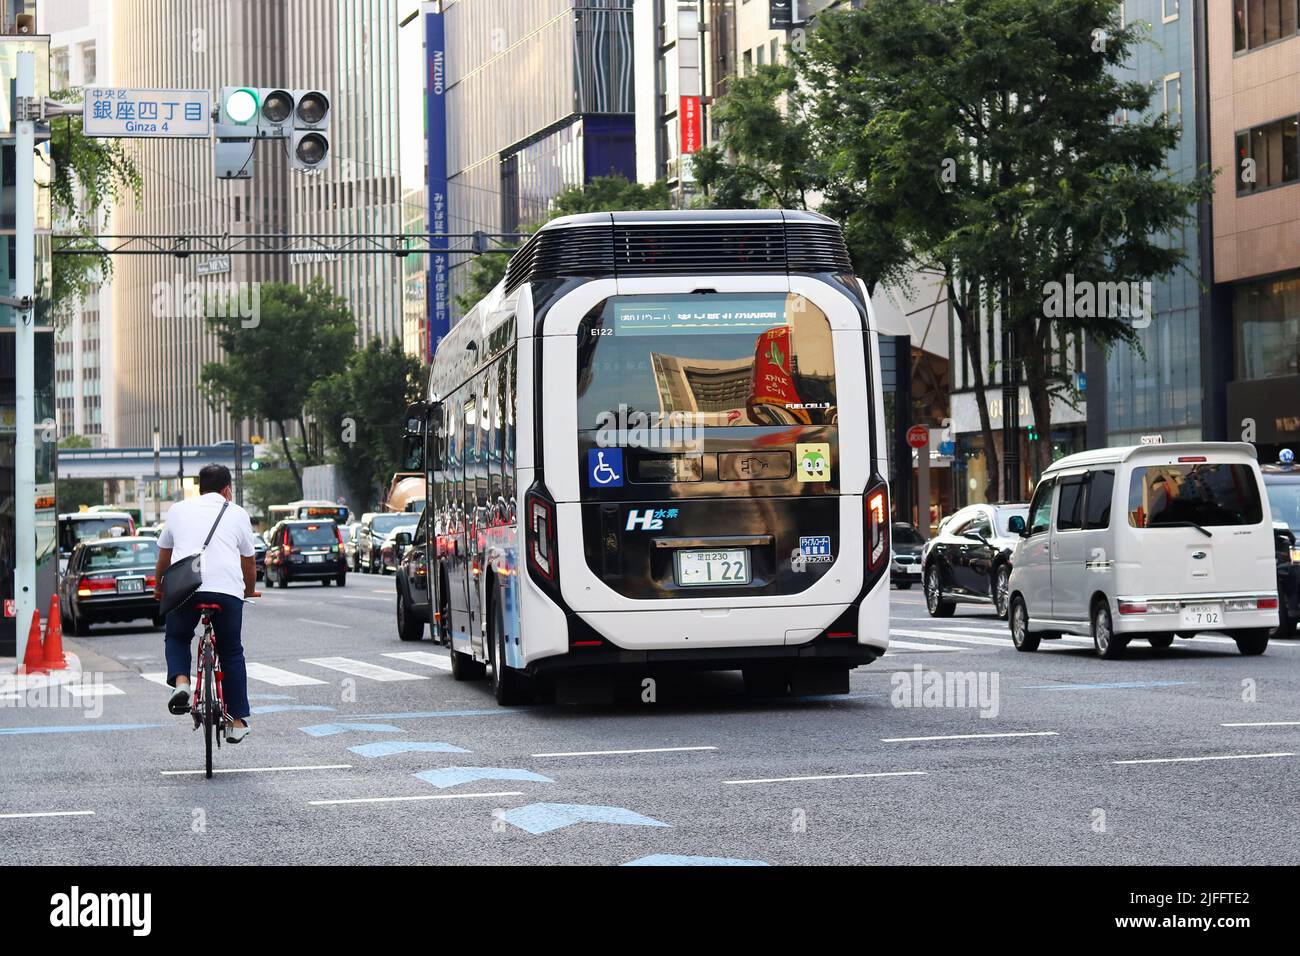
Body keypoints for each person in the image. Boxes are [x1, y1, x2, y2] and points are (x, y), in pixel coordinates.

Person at [153, 464, 260, 743]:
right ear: (227, 489)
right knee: (231, 651)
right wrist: (247, 590)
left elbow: (164, 558)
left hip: (185, 589)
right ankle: (236, 721)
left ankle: (182, 683)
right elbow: (248, 562)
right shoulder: (237, 513)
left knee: (177, 636)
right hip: (226, 591)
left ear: (200, 488)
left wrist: (159, 588)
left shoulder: (177, 510)